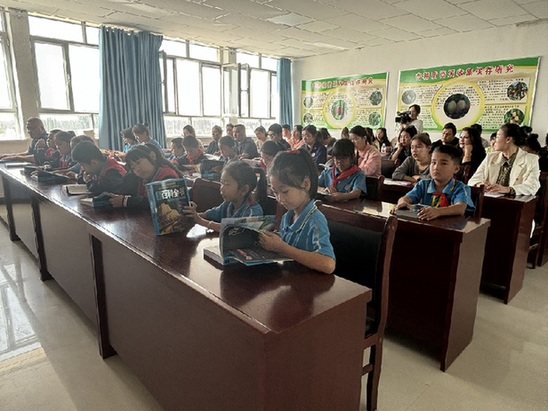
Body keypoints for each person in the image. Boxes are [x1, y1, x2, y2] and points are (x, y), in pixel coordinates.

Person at [258, 149, 336, 274]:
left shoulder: (315, 220)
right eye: (275, 192)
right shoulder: (288, 216)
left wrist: (281, 247)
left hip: (309, 283)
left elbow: (328, 264)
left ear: (305, 184)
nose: (279, 199)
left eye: (285, 191)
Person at [392, 145, 475, 220]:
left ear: (456, 169)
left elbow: (460, 208)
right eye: (433, 162)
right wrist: (403, 203)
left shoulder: (461, 188)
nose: (436, 167)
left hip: (450, 228)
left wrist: (438, 211)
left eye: (443, 163)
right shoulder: (423, 184)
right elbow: (406, 198)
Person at [184, 161, 265, 232]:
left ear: (244, 190)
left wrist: (200, 221)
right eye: (221, 183)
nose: (221, 188)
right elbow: (209, 214)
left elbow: (233, 230)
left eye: (227, 184)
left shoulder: (253, 211)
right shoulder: (227, 204)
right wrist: (192, 215)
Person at [468, 123, 540, 195]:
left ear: (508, 139)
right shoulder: (491, 157)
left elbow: (532, 186)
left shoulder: (531, 159)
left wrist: (507, 189)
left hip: (514, 200)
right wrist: (480, 184)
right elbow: (473, 180)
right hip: (489, 199)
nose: (494, 141)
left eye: (497, 137)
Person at [109, 144, 183, 208]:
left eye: (138, 162)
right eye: (133, 167)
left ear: (152, 156)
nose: (137, 169)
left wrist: (127, 201)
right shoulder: (139, 177)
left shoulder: (168, 176)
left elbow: (160, 203)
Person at [318, 138, 366, 202]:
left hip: (348, 206)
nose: (339, 161)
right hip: (329, 205)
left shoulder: (358, 174)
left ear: (352, 158)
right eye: (337, 158)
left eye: (343, 158)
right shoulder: (328, 172)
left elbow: (357, 192)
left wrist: (343, 196)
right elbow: (315, 186)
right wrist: (324, 190)